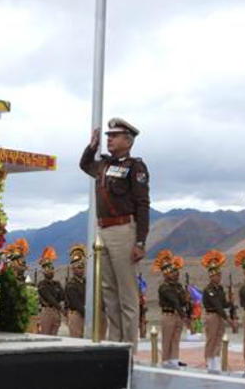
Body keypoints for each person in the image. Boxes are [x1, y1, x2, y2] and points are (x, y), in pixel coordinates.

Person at [79, 117, 150, 348]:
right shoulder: (104, 165)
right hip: (104, 230)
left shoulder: (134, 167)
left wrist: (140, 241)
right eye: (108, 136)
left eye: (114, 136)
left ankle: (129, 347)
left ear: (128, 141)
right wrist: (92, 147)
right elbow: (84, 165)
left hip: (123, 230)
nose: (109, 140)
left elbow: (142, 204)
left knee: (126, 294)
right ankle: (115, 343)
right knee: (109, 292)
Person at [201, 249, 237, 373]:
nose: (219, 277)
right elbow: (217, 306)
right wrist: (229, 320)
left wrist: (230, 301)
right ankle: (209, 363)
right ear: (211, 276)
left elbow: (223, 304)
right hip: (212, 316)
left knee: (218, 339)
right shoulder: (209, 290)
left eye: (220, 275)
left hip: (219, 316)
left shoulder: (220, 289)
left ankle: (216, 361)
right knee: (211, 339)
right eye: (217, 275)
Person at [155, 250, 187, 369]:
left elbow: (182, 301)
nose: (174, 274)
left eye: (175, 271)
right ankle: (165, 360)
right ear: (165, 274)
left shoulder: (178, 286)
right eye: (171, 272)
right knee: (167, 338)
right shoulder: (164, 287)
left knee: (176, 338)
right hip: (169, 314)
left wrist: (186, 298)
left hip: (177, 315)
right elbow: (174, 301)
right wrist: (184, 315)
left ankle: (174, 359)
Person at [37, 246, 64, 335]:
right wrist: (61, 308)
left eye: (51, 268)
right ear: (43, 271)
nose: (50, 271)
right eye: (47, 269)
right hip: (47, 311)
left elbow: (62, 296)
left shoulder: (57, 284)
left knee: (54, 335)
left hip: (56, 312)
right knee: (45, 335)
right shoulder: (42, 285)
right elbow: (49, 298)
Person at [65, 244, 87, 338]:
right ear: (73, 269)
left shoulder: (87, 282)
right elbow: (76, 303)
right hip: (77, 314)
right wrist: (88, 314)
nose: (81, 270)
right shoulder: (71, 284)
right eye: (78, 267)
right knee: (77, 340)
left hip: (85, 313)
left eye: (82, 267)